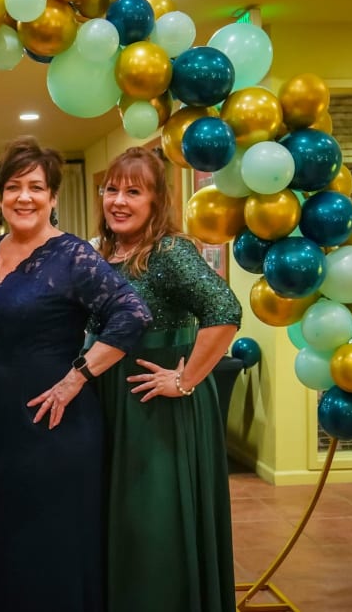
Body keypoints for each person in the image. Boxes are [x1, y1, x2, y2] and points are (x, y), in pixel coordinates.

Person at [0, 136, 151, 611]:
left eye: (35, 187)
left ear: (52, 197)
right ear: (0, 195)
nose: (23, 197)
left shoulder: (72, 256)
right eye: (13, 187)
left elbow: (132, 313)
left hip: (55, 423)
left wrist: (77, 377)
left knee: (50, 550)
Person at [95, 146, 241, 612]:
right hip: (112, 400)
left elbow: (224, 312)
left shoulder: (170, 250)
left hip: (158, 406)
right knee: (122, 522)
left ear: (157, 201)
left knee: (156, 523)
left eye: (133, 192)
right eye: (111, 189)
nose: (118, 200)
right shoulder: (107, 252)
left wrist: (184, 380)